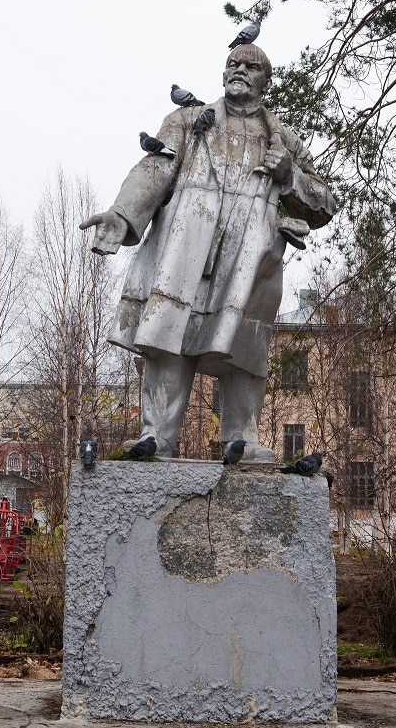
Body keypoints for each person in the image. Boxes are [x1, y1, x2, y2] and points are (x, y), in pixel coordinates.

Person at [81, 44, 335, 458]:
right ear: (222, 75)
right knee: (168, 338)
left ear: (266, 81)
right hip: (185, 250)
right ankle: (157, 436)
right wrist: (122, 215)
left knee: (243, 349)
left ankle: (242, 438)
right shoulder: (186, 122)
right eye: (232, 64)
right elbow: (153, 169)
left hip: (249, 261)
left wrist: (290, 176)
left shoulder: (283, 139)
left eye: (251, 67)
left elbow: (324, 202)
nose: (239, 70)